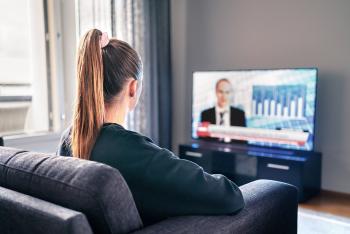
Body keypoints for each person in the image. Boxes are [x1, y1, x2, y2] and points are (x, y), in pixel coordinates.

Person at [57, 29, 244, 225]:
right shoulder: (131, 149)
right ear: (133, 87)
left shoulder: (69, 139)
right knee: (272, 189)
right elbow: (230, 196)